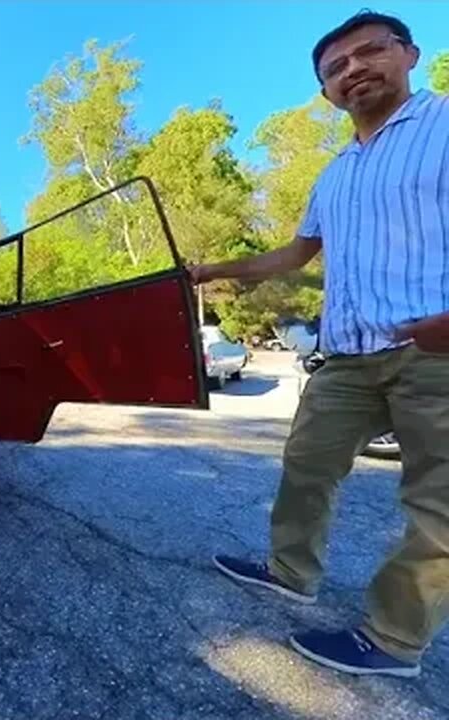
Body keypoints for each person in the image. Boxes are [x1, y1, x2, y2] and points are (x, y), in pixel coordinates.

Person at [189, 10, 449, 678]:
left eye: (370, 52)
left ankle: (394, 640)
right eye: (336, 67)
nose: (354, 69)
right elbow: (294, 256)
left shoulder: (444, 125)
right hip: (347, 357)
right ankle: (290, 571)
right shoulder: (333, 173)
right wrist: (214, 271)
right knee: (306, 467)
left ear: (409, 55)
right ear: (327, 91)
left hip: (438, 351)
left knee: (439, 507)